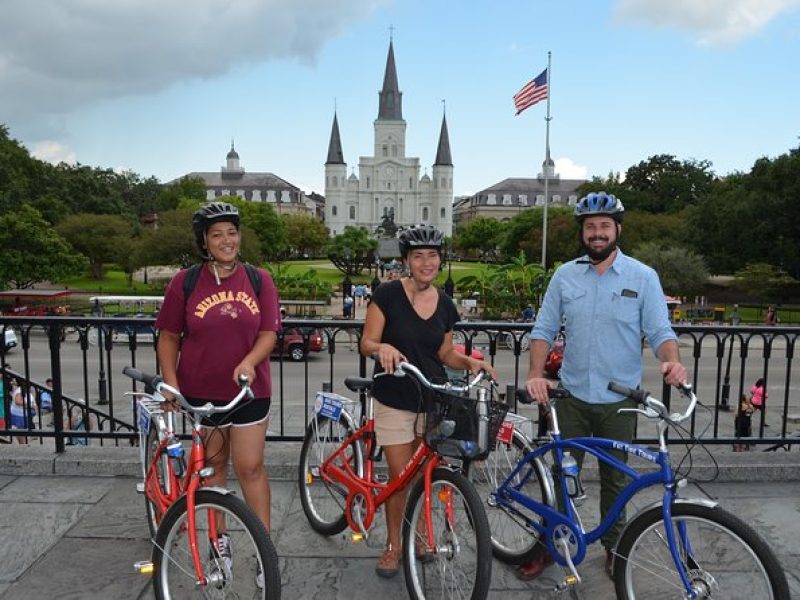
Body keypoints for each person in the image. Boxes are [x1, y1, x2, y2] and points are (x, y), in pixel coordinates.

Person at [519, 192, 688, 581]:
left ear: (617, 230)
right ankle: (553, 545)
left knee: (617, 482)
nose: (597, 233)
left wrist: (672, 360)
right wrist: (535, 373)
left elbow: (660, 330)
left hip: (620, 402)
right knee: (563, 476)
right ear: (583, 232)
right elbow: (543, 329)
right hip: (572, 397)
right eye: (590, 226)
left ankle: (615, 549)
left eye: (604, 226)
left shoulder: (642, 277)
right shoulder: (565, 275)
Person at [360, 224, 497, 579]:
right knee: (400, 478)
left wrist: (470, 362)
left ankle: (419, 538)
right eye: (418, 256)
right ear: (406, 260)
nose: (426, 262)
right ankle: (392, 545)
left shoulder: (446, 305)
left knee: (425, 476)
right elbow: (367, 343)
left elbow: (445, 353)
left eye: (432, 256)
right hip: (395, 397)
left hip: (432, 398)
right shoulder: (387, 294)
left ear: (440, 260)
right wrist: (383, 347)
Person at [155, 201, 281, 585]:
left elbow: (269, 333)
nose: (227, 240)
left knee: (251, 467)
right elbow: (168, 336)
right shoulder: (186, 282)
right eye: (217, 234)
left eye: (232, 232)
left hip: (248, 392)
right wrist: (171, 382)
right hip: (202, 393)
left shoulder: (259, 279)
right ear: (204, 242)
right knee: (214, 472)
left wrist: (249, 361)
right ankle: (218, 543)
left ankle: (264, 550)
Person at [9, 379, 37, 444]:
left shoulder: (24, 390)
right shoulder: (19, 391)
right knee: (21, 430)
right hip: (19, 413)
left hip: (23, 413)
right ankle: (22, 443)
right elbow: (17, 402)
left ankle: (23, 442)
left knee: (22, 429)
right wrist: (30, 405)